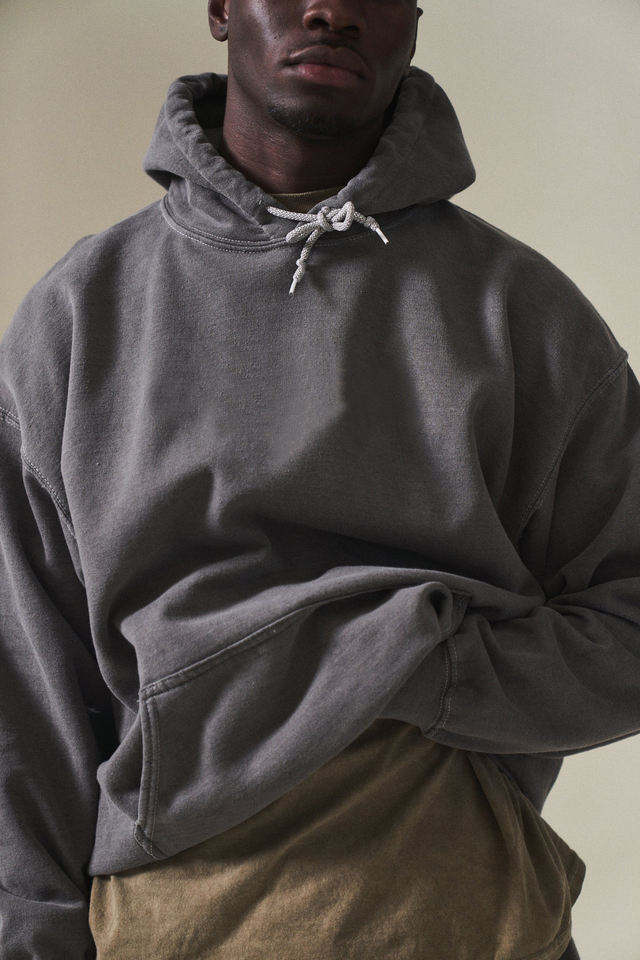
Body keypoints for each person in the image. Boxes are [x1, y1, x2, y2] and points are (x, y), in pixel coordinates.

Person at [1, 0, 638, 957]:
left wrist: (420, 667)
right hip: (174, 913)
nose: (330, 9)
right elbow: (23, 687)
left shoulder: (524, 315)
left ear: (413, 20)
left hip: (457, 906)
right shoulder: (79, 318)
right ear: (221, 9)